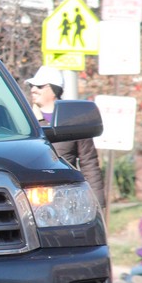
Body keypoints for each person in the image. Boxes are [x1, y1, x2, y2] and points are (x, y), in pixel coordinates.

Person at [25, 66, 106, 207]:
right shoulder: (24, 120)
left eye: (39, 86)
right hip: (32, 200)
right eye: (32, 86)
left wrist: (97, 202)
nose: (33, 89)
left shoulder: (73, 120)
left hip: (65, 200)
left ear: (54, 89)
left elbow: (89, 163)